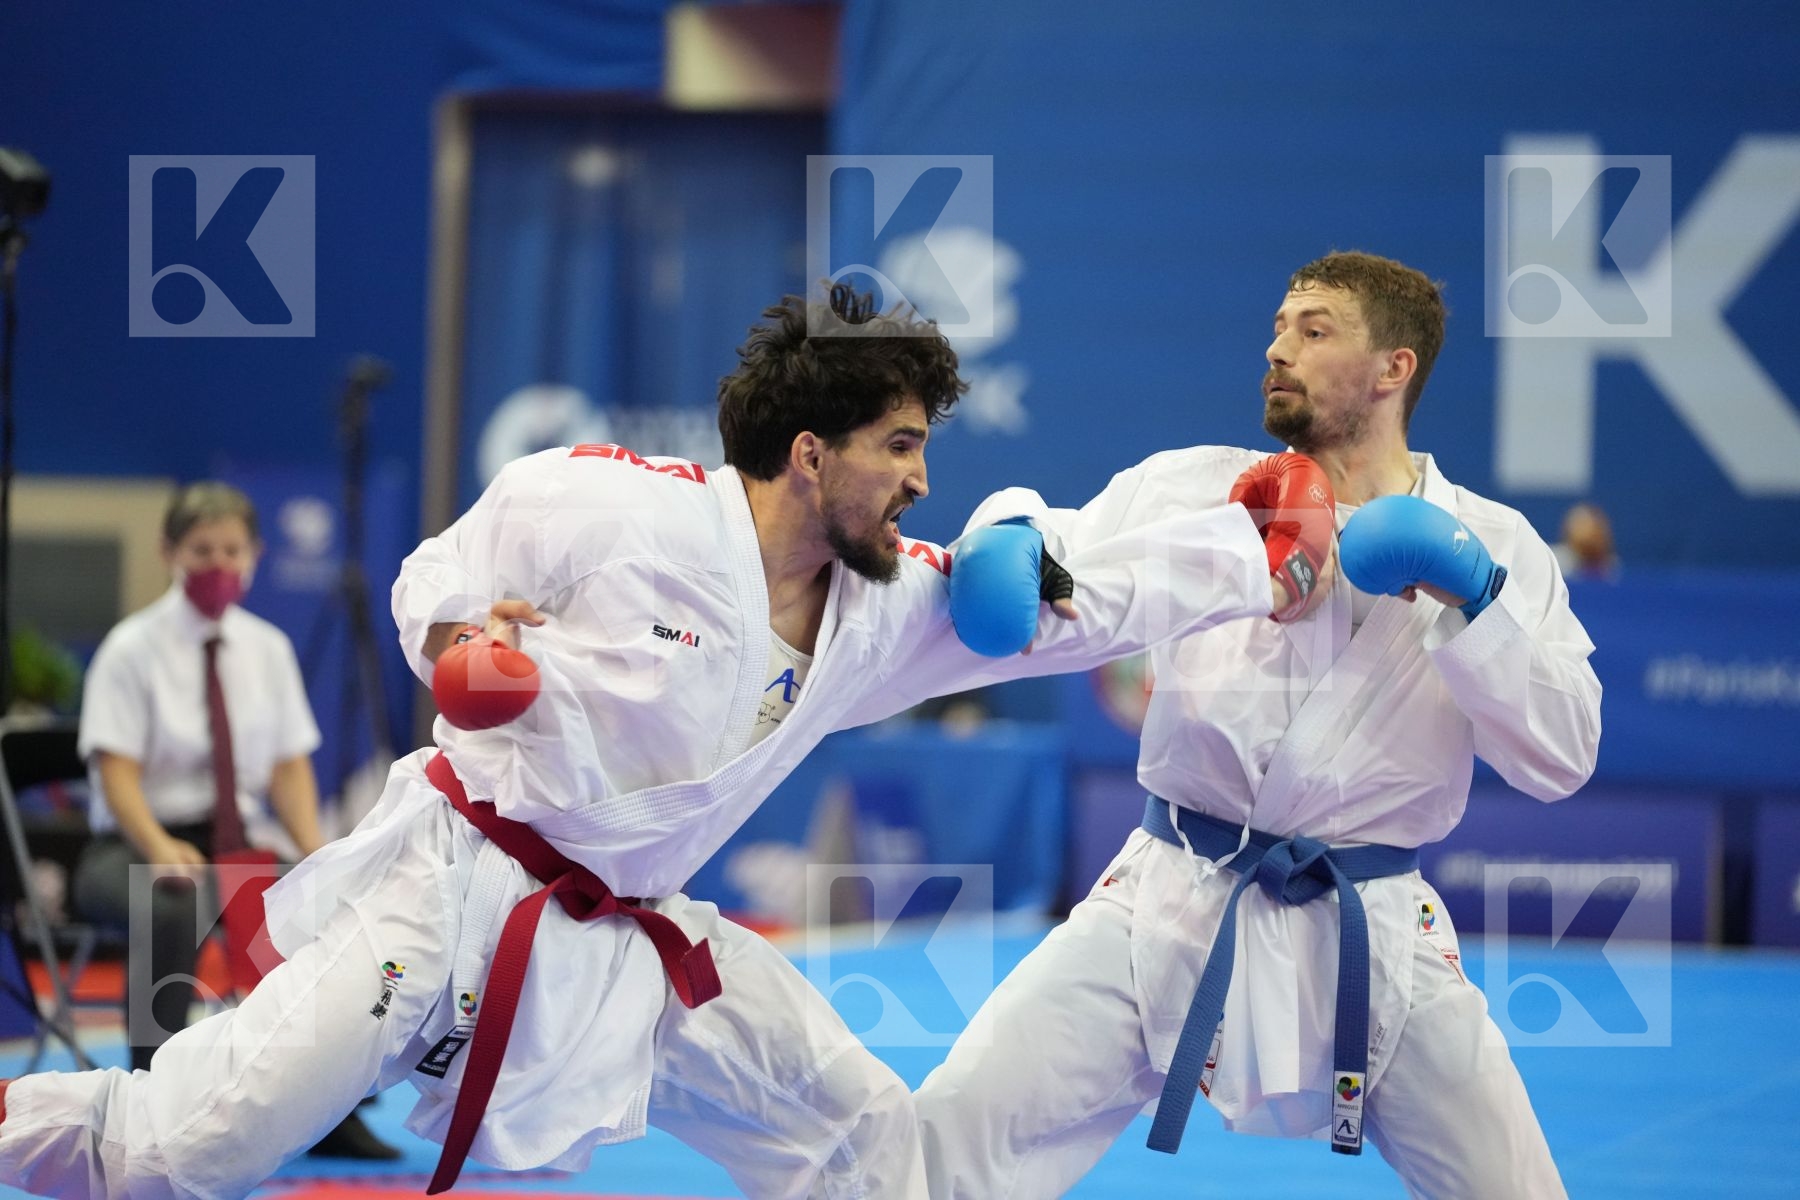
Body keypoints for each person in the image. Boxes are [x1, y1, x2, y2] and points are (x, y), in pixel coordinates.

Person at [0, 285, 1316, 1200]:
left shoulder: (887, 606)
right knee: (184, 1150)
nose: (921, 478)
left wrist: (1244, 541)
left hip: (631, 933)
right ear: (811, 453)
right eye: (901, 446)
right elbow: (434, 578)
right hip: (447, 897)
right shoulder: (608, 506)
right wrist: (462, 642)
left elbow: (1065, 613)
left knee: (854, 1124)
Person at [916, 251, 1603, 1199]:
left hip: (1372, 920)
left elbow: (1561, 759)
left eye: (1314, 330)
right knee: (949, 1134)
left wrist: (1471, 598)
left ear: (1394, 368)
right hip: (1167, 896)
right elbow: (1059, 563)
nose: (1278, 349)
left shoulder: (1493, 545)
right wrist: (1008, 527)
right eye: (1279, 327)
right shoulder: (1194, 489)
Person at [71, 481, 397, 1159]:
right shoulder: (131, 648)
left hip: (235, 843)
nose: (218, 564)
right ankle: (151, 1098)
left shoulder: (268, 648)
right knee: (172, 899)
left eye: (231, 550)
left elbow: (288, 766)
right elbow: (116, 770)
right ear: (169, 552)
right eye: (202, 550)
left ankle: (321, 1110)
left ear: (254, 555)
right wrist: (158, 844)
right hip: (134, 844)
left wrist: (316, 849)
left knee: (311, 905)